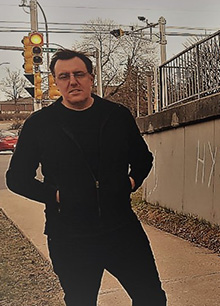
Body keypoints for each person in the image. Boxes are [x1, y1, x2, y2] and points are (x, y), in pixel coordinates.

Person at [5, 49, 166, 305]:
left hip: (122, 229)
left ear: (91, 78)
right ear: (56, 82)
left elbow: (143, 159)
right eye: (64, 76)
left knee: (151, 297)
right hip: (69, 236)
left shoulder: (117, 116)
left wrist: (130, 183)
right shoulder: (40, 124)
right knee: (81, 300)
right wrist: (58, 196)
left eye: (79, 74)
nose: (73, 81)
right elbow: (16, 178)